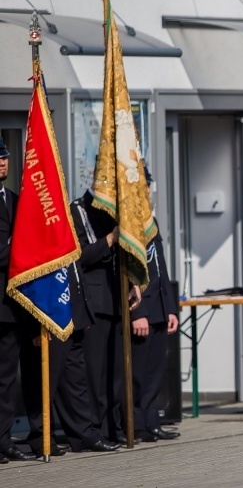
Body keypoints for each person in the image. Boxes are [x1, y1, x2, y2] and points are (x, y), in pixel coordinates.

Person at [20, 263, 121, 454]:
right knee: (44, 380)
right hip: (50, 313)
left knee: (75, 379)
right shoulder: (45, 233)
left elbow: (75, 269)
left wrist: (85, 311)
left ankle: (84, 435)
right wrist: (36, 324)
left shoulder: (66, 234)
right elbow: (32, 274)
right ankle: (41, 437)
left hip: (72, 313)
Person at [70, 189, 141, 443]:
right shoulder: (79, 209)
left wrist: (133, 282)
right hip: (95, 302)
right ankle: (95, 429)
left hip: (117, 301)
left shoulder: (117, 210)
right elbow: (81, 256)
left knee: (117, 373)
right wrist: (110, 238)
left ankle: (115, 426)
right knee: (95, 373)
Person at [130, 167, 180, 442]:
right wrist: (138, 311)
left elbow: (161, 270)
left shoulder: (150, 221)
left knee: (155, 372)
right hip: (142, 309)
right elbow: (130, 274)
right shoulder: (128, 224)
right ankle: (135, 425)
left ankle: (151, 421)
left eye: (147, 185)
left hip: (159, 307)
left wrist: (171, 308)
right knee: (137, 373)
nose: (145, 190)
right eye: (140, 186)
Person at [0, 138, 37, 462]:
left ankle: (4, 440)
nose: (2, 162)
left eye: (5, 156)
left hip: (11, 306)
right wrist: (16, 244)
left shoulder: (14, 200)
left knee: (7, 378)